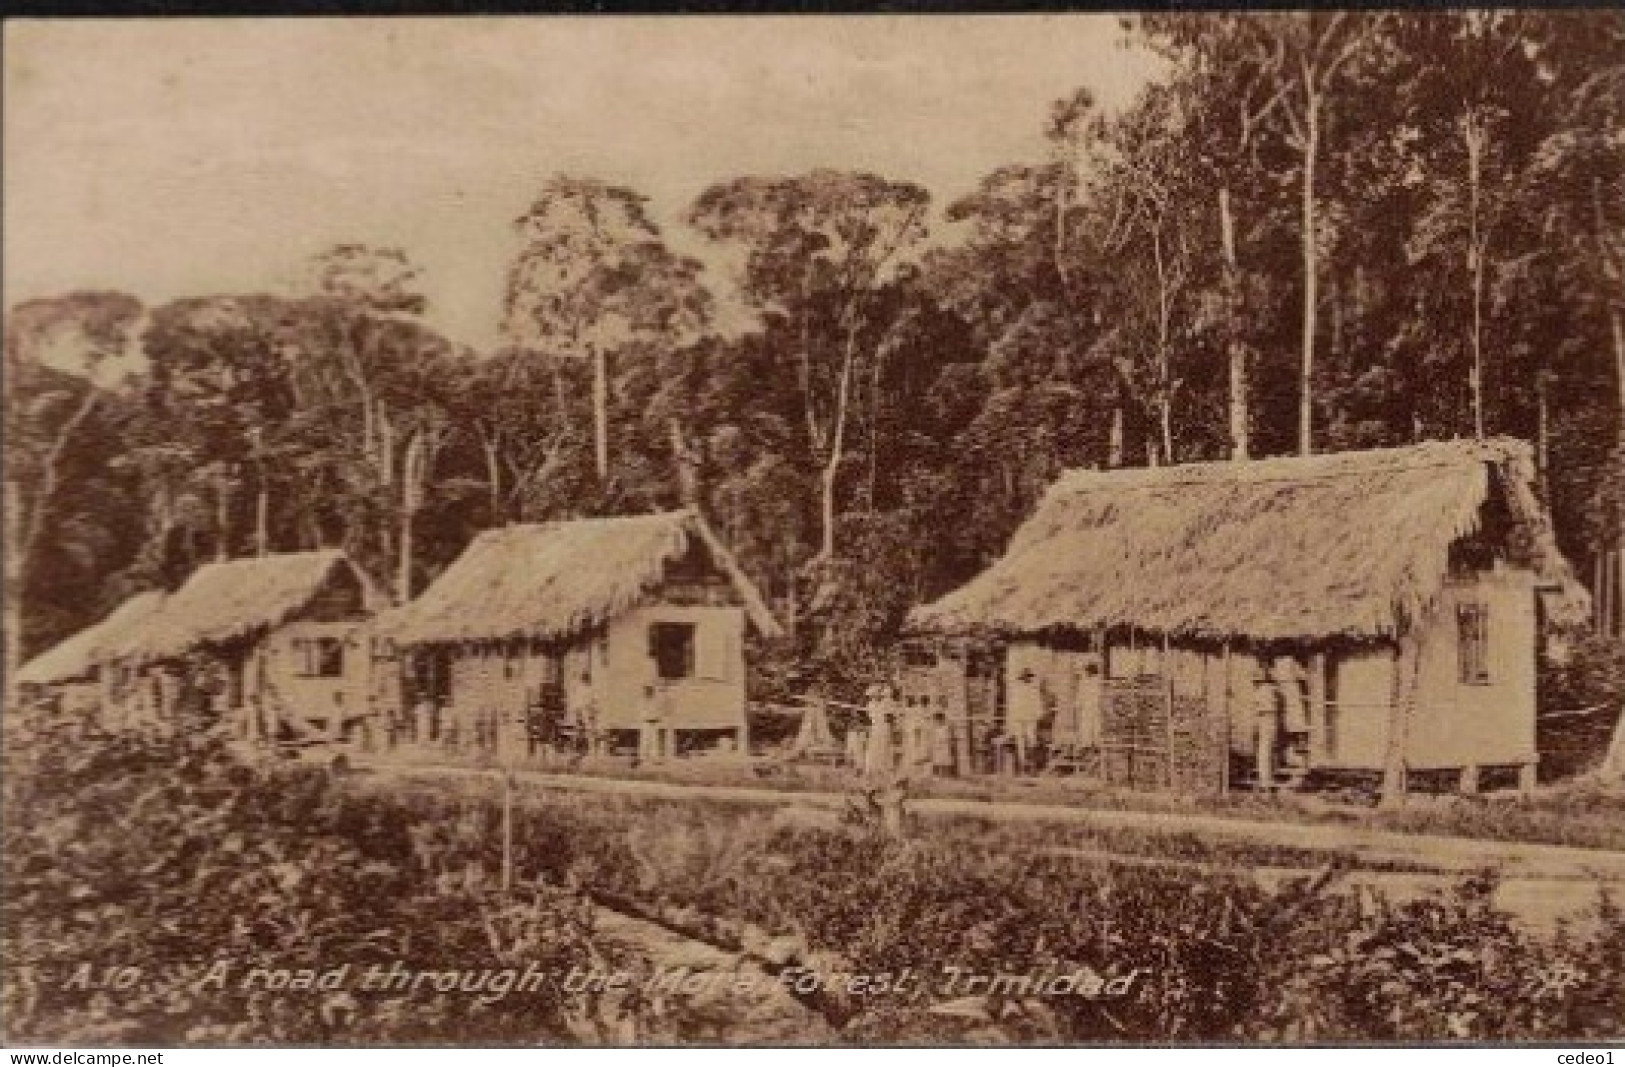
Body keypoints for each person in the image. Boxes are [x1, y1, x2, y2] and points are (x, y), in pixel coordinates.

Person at [1007, 667, 1047, 773]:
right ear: (1022, 678)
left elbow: (1038, 704)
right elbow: (1012, 705)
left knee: (1031, 738)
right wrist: (1012, 718)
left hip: (1029, 717)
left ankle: (1032, 762)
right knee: (1020, 739)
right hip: (1019, 717)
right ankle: (1022, 762)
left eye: (1028, 677)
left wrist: (1038, 715)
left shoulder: (1033, 689)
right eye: (1025, 677)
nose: (1027, 679)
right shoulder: (1017, 689)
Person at [1252, 662, 1281, 788]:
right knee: (1267, 748)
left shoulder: (1266, 690)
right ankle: (1266, 778)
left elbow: (1261, 707)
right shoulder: (1268, 690)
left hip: (1268, 718)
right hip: (1268, 718)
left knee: (1266, 749)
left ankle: (1266, 778)